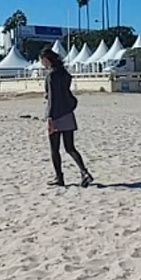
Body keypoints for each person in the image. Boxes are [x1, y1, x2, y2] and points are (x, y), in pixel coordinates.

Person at [41, 48, 93, 188]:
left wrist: (50, 117)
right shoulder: (64, 73)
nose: (42, 64)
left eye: (43, 61)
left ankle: (59, 177)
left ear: (47, 59)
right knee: (70, 147)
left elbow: (52, 98)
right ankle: (84, 172)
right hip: (68, 113)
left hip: (56, 114)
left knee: (54, 149)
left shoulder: (51, 75)